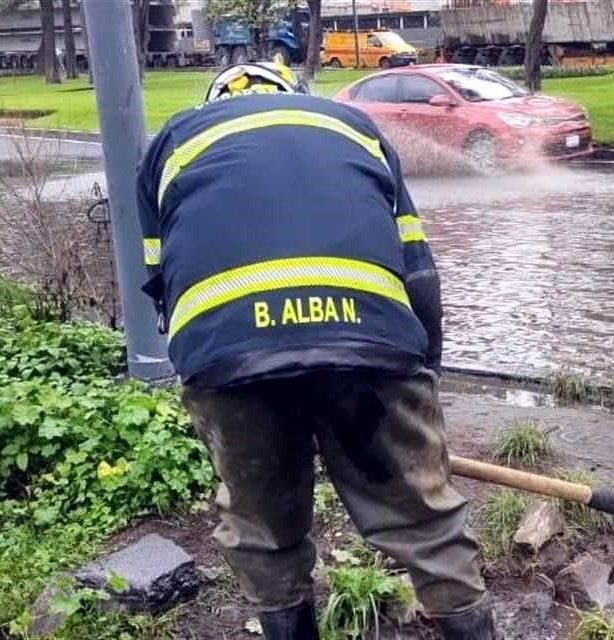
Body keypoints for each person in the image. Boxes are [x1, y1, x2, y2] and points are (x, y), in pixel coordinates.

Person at [135, 57, 495, 640]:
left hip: (230, 356)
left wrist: (211, 378)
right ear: (293, 92)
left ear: (212, 104)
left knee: (263, 534)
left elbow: (162, 284)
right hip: (371, 342)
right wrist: (424, 369)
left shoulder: (172, 142)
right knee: (429, 527)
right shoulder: (351, 125)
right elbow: (419, 271)